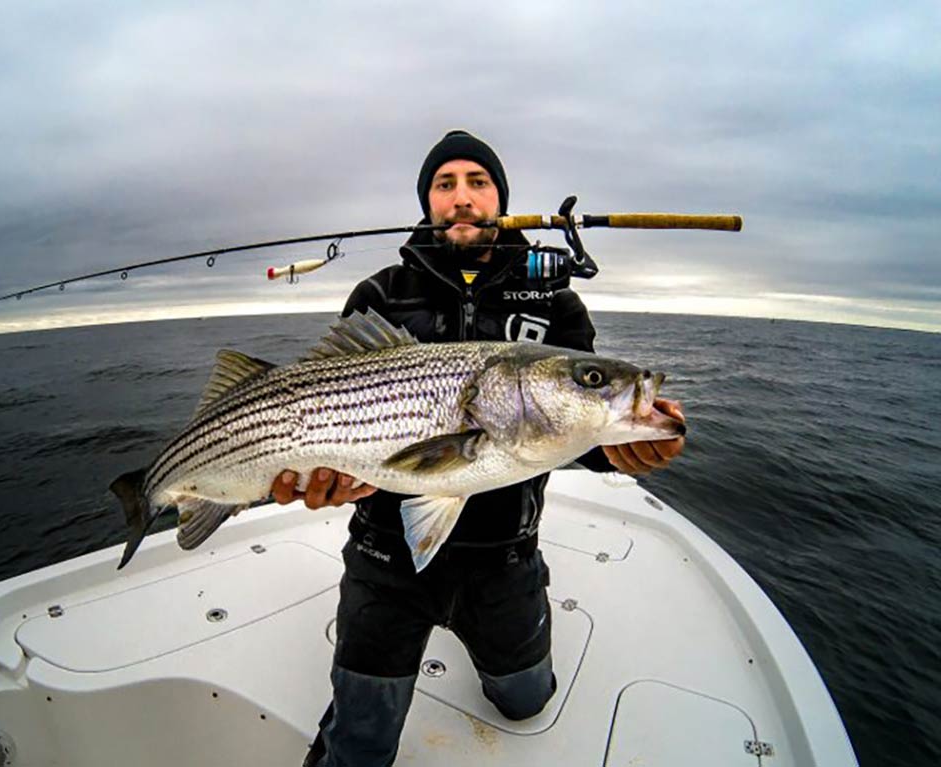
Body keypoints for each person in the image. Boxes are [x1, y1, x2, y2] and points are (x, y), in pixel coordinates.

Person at [270, 130, 686, 767]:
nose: (462, 197)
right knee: (359, 746)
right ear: (429, 205)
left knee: (526, 700)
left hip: (505, 563)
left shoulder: (557, 302)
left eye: (478, 182)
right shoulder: (379, 295)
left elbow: (576, 436)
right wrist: (311, 479)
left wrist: (623, 447)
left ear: (500, 199)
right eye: (445, 184)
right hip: (385, 564)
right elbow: (328, 416)